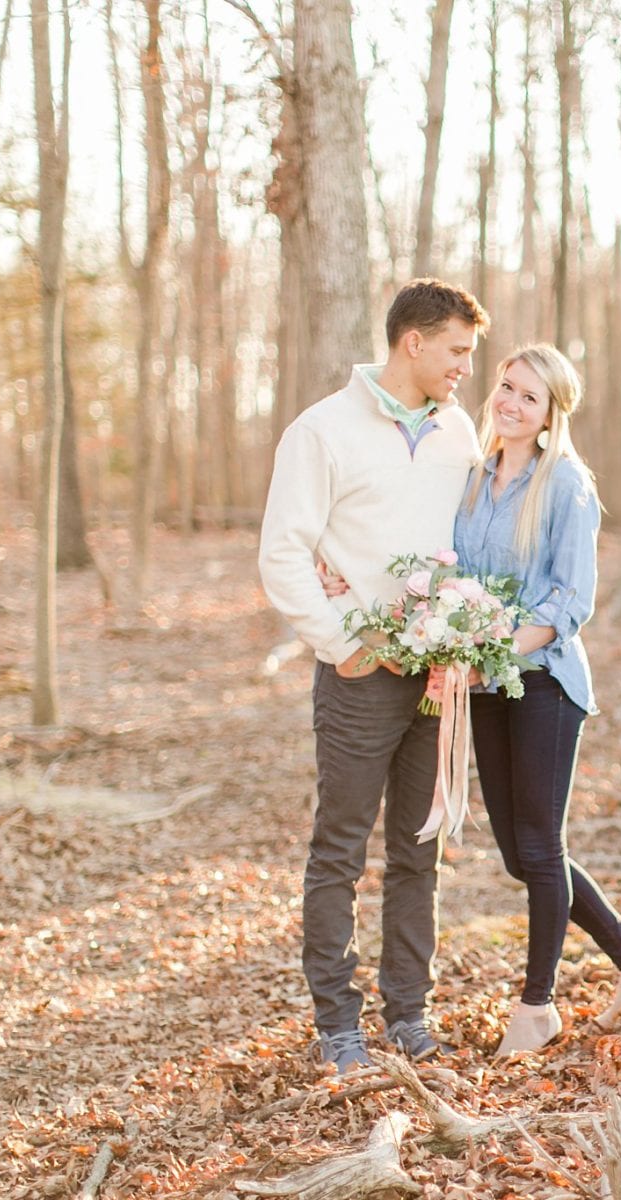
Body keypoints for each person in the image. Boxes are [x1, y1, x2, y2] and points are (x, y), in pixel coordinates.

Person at [324, 345, 621, 1056]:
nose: (511, 403)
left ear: (551, 416)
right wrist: (351, 575)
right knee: (520, 856)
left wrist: (486, 649)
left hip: (543, 682)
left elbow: (570, 602)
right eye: (507, 388)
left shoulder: (567, 485)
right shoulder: (474, 477)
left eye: (530, 397)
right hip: (481, 687)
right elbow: (433, 559)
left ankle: (536, 1006)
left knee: (543, 847)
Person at [258, 279, 487, 1073]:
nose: (465, 367)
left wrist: (467, 634)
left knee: (420, 851)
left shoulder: (460, 432)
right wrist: (339, 641)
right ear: (412, 342)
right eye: (457, 350)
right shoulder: (322, 432)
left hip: (437, 680)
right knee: (340, 852)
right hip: (359, 679)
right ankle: (337, 1024)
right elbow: (283, 550)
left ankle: (409, 1014)